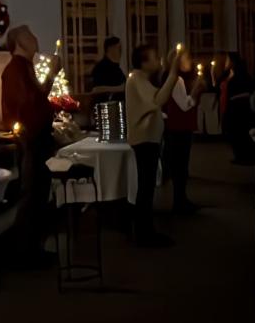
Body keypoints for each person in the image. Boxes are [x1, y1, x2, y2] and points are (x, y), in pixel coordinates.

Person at [0, 26, 57, 266]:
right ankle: (25, 251)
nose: (36, 39)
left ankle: (34, 248)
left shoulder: (26, 68)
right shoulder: (15, 70)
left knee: (39, 194)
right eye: (30, 36)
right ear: (19, 43)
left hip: (38, 139)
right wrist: (52, 74)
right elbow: (30, 104)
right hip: (31, 141)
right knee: (32, 194)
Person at [123, 44, 185, 247]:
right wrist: (174, 71)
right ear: (143, 62)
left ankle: (146, 231)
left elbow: (157, 93)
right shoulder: (137, 79)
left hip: (148, 139)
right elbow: (159, 98)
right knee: (146, 187)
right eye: (154, 57)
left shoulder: (142, 79)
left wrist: (170, 66)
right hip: (144, 140)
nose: (157, 60)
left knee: (147, 186)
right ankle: (144, 234)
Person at [161, 50, 208, 214]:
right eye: (187, 58)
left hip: (176, 128)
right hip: (179, 128)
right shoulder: (177, 79)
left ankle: (181, 199)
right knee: (180, 167)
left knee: (179, 166)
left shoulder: (174, 79)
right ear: (178, 62)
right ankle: (180, 202)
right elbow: (184, 105)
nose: (191, 61)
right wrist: (196, 90)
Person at [218, 52, 255, 164]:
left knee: (239, 132)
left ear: (232, 62)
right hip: (229, 105)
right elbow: (218, 85)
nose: (225, 62)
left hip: (239, 107)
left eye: (227, 60)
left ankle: (243, 157)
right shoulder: (227, 74)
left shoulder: (241, 74)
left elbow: (251, 88)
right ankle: (239, 155)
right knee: (231, 131)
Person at [89, 36, 126, 102]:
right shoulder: (100, 67)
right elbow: (96, 89)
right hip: (106, 107)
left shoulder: (117, 69)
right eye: (119, 48)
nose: (121, 51)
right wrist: (119, 88)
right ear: (111, 48)